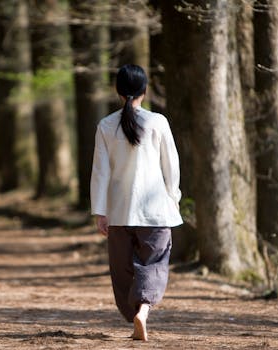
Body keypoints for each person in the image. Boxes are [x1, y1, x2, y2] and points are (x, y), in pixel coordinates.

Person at [90, 64, 183, 341]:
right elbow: (171, 166)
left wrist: (100, 211)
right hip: (155, 212)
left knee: (122, 271)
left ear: (117, 91)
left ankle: (134, 314)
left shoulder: (106, 125)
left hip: (119, 212)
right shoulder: (158, 122)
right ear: (145, 90)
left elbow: (100, 171)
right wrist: (173, 197)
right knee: (153, 263)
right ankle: (143, 310)